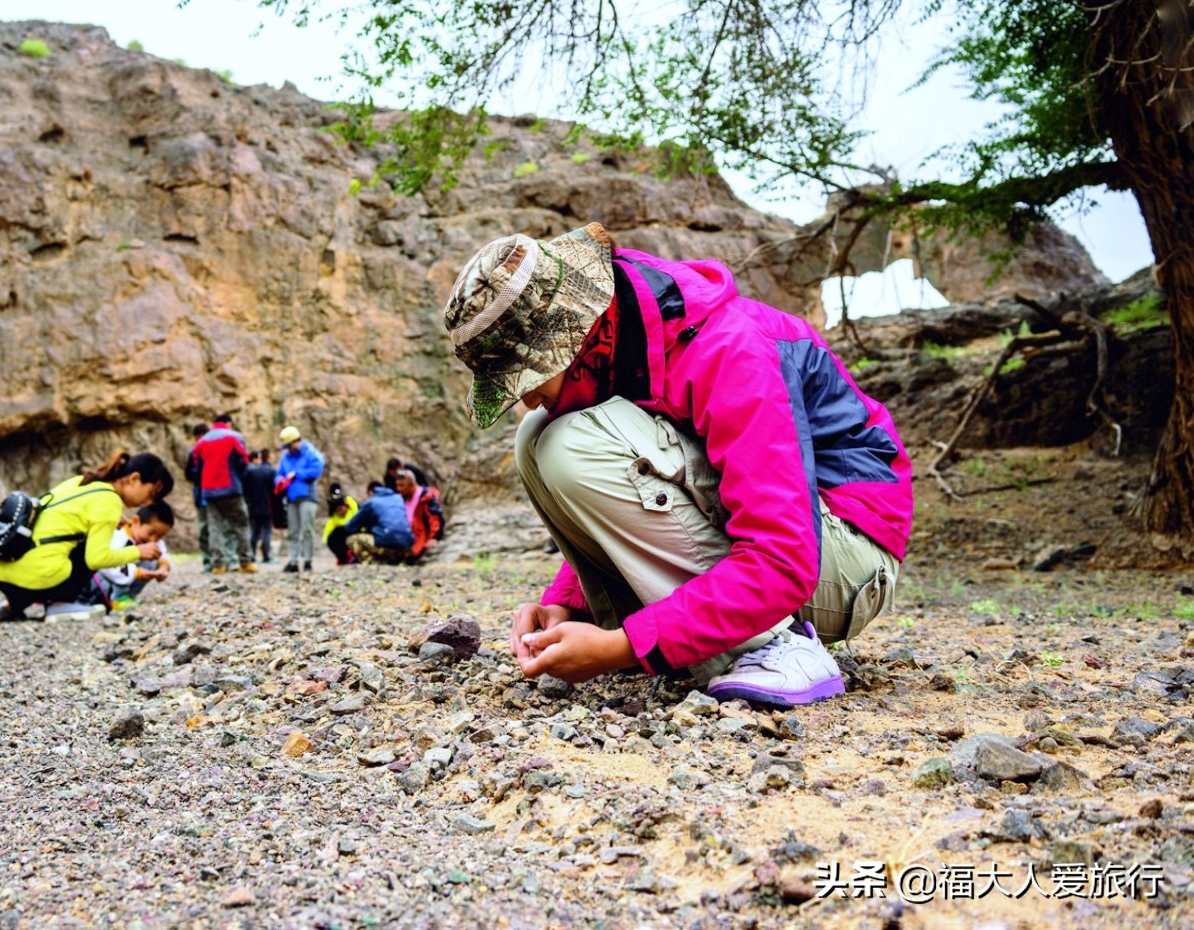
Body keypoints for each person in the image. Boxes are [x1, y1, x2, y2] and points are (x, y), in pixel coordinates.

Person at [442, 222, 911, 707]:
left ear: (573, 339)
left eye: (529, 375)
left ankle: (779, 646)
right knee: (534, 436)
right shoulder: (620, 346)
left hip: (845, 559)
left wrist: (621, 647)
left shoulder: (729, 350)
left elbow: (784, 556)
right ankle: (699, 636)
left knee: (567, 442)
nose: (526, 396)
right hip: (793, 545)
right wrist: (568, 603)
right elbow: (653, 489)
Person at [0, 451, 174, 623]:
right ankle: (59, 604)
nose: (148, 503)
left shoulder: (81, 482)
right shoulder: (109, 500)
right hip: (38, 580)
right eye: (151, 494)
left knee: (62, 544)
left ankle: (13, 605)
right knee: (89, 550)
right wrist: (137, 552)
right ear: (134, 479)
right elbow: (96, 560)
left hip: (5, 575)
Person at [189, 413, 256, 574]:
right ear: (229, 424)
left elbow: (196, 469)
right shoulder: (234, 437)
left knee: (215, 528)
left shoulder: (201, 442)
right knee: (240, 524)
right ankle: (245, 562)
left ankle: (218, 565)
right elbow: (244, 462)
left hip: (209, 492)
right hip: (231, 488)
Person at [82, 500, 176, 611]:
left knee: (152, 561)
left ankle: (128, 597)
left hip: (127, 574)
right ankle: (114, 598)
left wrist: (163, 568)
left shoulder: (152, 541)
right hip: (105, 578)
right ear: (136, 521)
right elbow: (107, 564)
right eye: (151, 533)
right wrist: (137, 573)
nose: (153, 539)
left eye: (160, 536)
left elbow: (163, 554)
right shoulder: (119, 535)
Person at [275, 425, 325, 572]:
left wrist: (297, 474)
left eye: (289, 445)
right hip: (291, 498)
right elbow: (279, 474)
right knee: (293, 531)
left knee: (307, 529)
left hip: (307, 496)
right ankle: (293, 561)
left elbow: (317, 469)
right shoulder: (285, 458)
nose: (288, 449)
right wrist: (279, 481)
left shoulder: (310, 453)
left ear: (296, 442)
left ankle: (308, 560)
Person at [330, 481, 414, 565]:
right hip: (407, 546)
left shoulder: (371, 502)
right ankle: (394, 561)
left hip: (387, 544)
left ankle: (371, 563)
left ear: (370, 492)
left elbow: (350, 526)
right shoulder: (398, 498)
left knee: (352, 540)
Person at [395, 469, 444, 564]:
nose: (398, 489)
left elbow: (435, 518)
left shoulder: (426, 497)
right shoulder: (402, 497)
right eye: (397, 485)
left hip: (420, 543)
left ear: (411, 484)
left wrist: (434, 537)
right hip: (405, 542)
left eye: (401, 486)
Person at [183, 423, 212, 569]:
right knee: (206, 529)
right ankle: (209, 561)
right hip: (203, 496)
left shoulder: (212, 449)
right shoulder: (194, 453)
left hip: (212, 495)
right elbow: (189, 473)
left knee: (211, 529)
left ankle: (217, 560)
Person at [242, 448, 278, 563]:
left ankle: (251, 555)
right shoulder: (271, 472)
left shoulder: (251, 472)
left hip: (253, 506)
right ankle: (266, 556)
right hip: (267, 506)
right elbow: (275, 490)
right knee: (266, 531)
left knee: (254, 531)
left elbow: (245, 489)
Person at [321, 483, 360, 565]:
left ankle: (353, 556)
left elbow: (356, 511)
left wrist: (345, 499)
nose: (340, 509)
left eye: (341, 507)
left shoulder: (351, 507)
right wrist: (325, 540)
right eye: (337, 508)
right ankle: (343, 558)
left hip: (354, 532)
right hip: (342, 536)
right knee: (335, 535)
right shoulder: (334, 516)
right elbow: (329, 527)